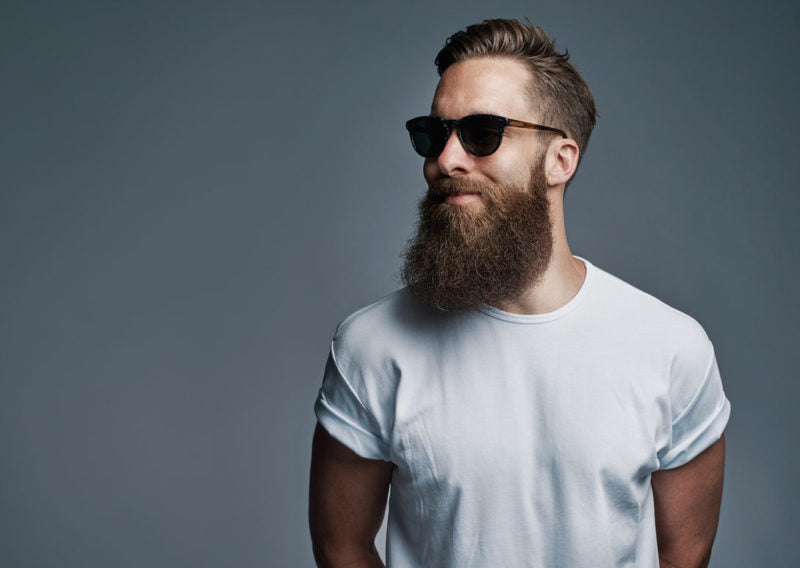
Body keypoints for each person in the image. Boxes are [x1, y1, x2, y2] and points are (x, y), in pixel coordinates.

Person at [308, 18, 730, 568]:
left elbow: (686, 555)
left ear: (561, 160)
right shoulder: (371, 346)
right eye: (433, 135)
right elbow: (340, 547)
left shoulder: (672, 348)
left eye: (483, 133)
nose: (446, 160)